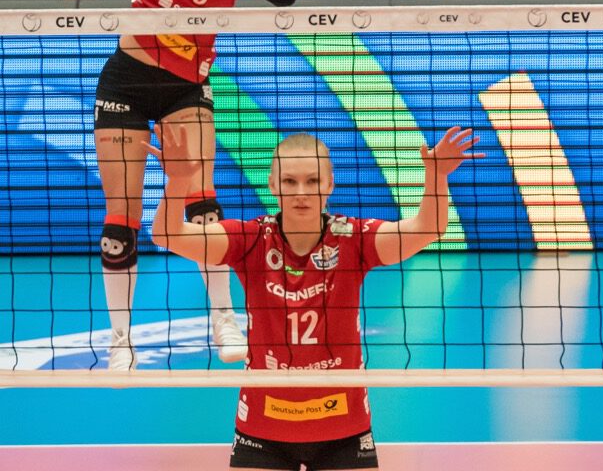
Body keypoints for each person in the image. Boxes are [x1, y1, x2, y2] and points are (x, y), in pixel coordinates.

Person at [93, 0, 298, 372]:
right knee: (121, 217)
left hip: (187, 88)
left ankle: (223, 319)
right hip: (129, 80)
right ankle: (121, 341)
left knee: (204, 203)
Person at [148, 125, 481, 470]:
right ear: (273, 185)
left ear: (330, 184)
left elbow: (427, 229)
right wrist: (178, 181)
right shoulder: (250, 240)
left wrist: (437, 175)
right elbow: (167, 234)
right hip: (263, 426)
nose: (301, 193)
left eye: (312, 181)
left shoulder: (353, 238)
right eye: (289, 182)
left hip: (344, 426)